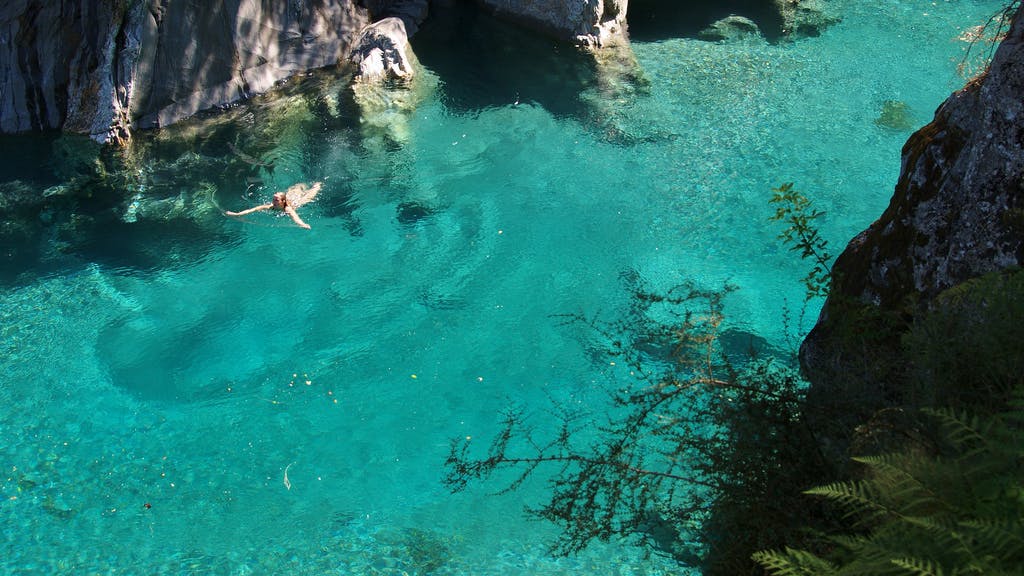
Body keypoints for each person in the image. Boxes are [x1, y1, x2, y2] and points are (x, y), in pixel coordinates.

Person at [225, 181, 323, 229]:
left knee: (309, 196)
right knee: (297, 187)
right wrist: (236, 214)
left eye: (276, 200)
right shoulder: (270, 207)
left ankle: (317, 184)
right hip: (289, 197)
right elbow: (252, 210)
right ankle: (301, 185)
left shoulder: (287, 209)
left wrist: (303, 224)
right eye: (273, 199)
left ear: (282, 202)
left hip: (297, 201)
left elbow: (295, 218)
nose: (273, 201)